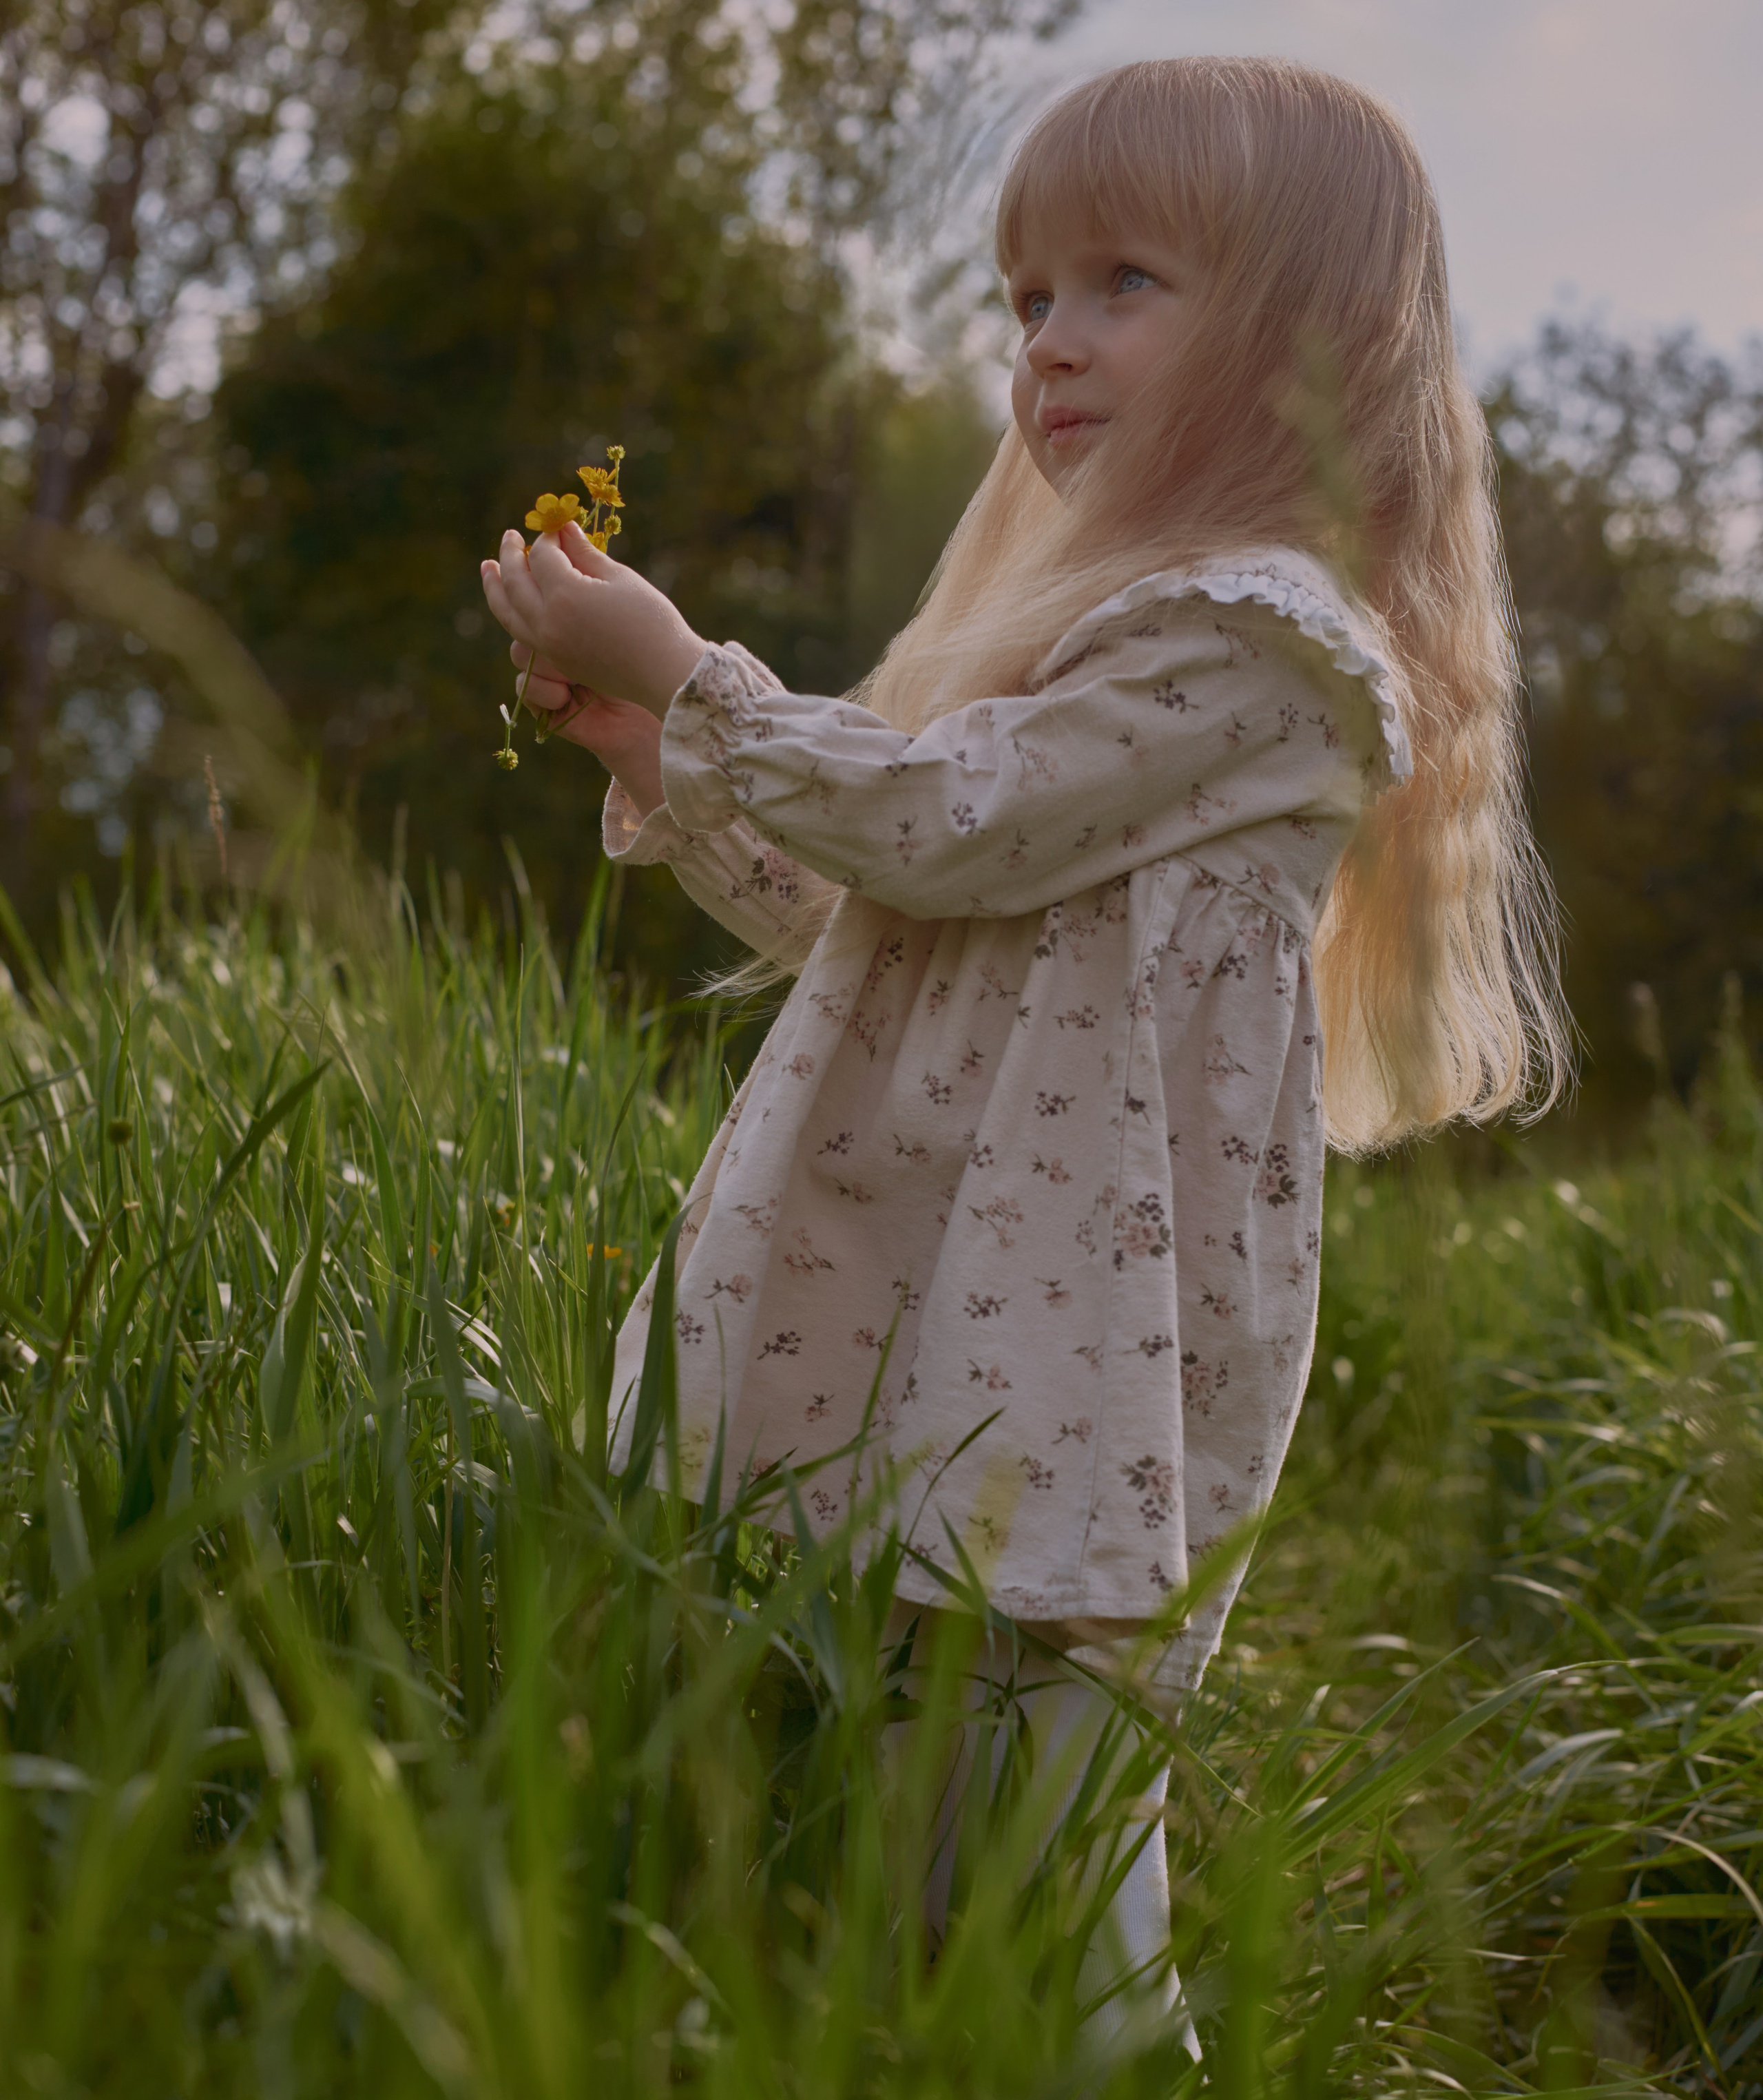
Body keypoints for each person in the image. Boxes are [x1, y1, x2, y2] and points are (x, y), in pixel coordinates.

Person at [480, 54, 1569, 2050]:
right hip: (964, 1297)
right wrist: (667, 749)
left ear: (1309, 340)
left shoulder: (1265, 639)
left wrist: (698, 676)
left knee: (1050, 1831)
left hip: (1072, 1330)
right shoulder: (1128, 634)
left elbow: (932, 824)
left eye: (1122, 281)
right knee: (924, 1795)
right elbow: (891, 910)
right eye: (1028, 298)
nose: (1050, 343)